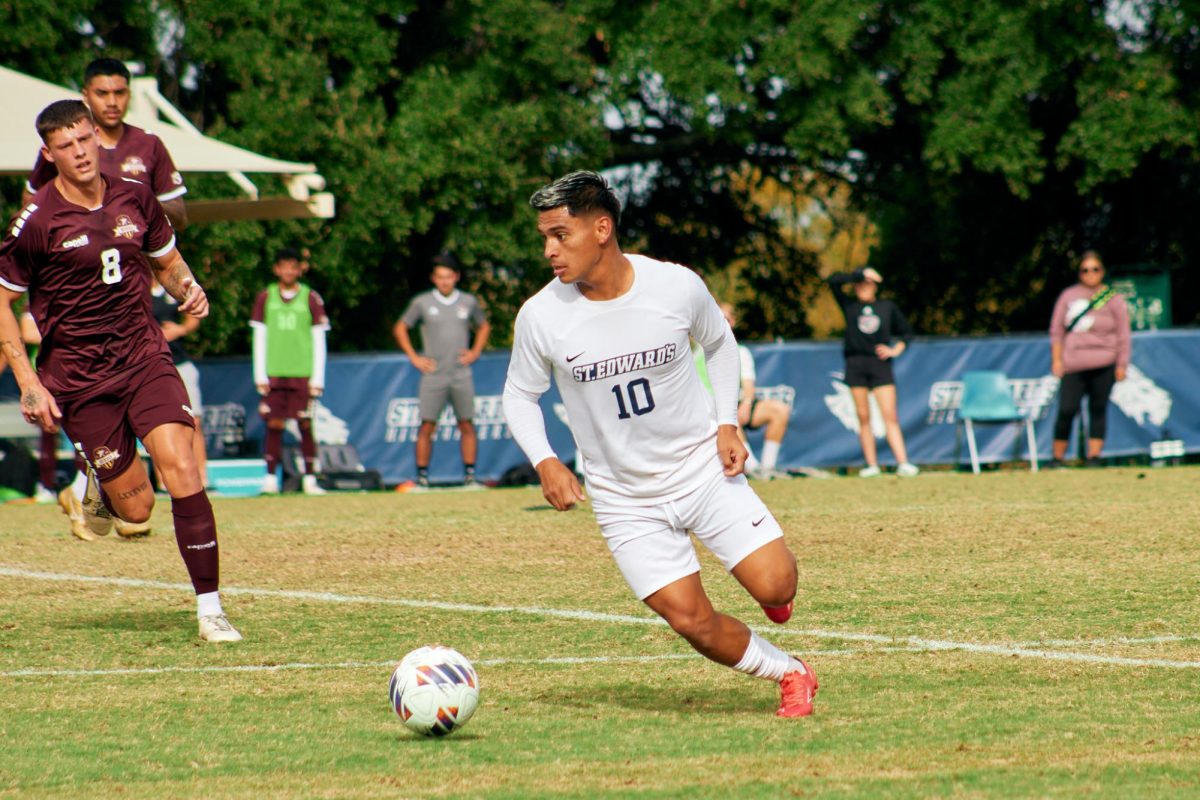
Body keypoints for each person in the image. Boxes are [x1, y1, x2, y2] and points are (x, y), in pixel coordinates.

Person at [503, 171, 818, 718]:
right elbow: (518, 396)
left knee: (775, 583)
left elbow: (720, 345)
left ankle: (775, 597)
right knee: (690, 621)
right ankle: (790, 672)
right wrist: (545, 460)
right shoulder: (541, 315)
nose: (549, 250)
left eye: (560, 234)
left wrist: (727, 422)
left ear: (602, 228)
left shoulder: (675, 286)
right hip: (624, 497)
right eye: (544, 238)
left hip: (702, 470)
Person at [0, 99, 240, 642]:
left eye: (85, 140)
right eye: (66, 146)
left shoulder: (136, 197)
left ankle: (210, 611)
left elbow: (167, 262)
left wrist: (188, 289)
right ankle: (97, 484)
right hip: (79, 379)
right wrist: (29, 382)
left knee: (181, 467)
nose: (80, 153)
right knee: (137, 509)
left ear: (96, 139)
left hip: (143, 357)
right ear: (49, 153)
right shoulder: (36, 221)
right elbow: (2, 302)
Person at [22, 58, 187, 231]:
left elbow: (180, 218)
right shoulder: (64, 144)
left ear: (129, 94)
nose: (112, 102)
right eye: (102, 93)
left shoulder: (149, 143)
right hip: (81, 253)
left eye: (119, 93)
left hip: (139, 255)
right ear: (86, 95)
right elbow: (30, 205)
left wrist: (137, 201)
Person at [394, 252, 491, 488]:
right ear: (433, 279)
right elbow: (400, 328)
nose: (444, 281)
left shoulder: (467, 301)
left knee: (466, 423)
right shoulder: (422, 302)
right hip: (433, 374)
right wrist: (415, 358)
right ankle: (423, 478)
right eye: (440, 277)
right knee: (427, 425)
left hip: (460, 373)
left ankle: (469, 476)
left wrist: (475, 352)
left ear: (456, 277)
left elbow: (484, 325)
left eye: (448, 277)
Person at [250, 247, 330, 495]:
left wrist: (317, 377)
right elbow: (259, 336)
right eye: (284, 266)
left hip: (302, 372)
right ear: (276, 269)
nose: (288, 271)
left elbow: (319, 338)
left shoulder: (311, 297)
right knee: (274, 424)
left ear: (299, 270)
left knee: (305, 423)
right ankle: (271, 478)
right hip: (274, 371)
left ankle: (309, 479)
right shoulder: (266, 296)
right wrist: (260, 374)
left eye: (293, 266)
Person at [827, 267, 919, 477]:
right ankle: (871, 465)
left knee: (890, 415)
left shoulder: (887, 307)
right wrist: (860, 274)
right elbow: (833, 281)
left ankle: (903, 462)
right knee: (863, 416)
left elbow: (906, 333)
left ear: (875, 287)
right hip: (856, 364)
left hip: (880, 365)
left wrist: (895, 350)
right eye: (860, 284)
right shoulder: (850, 306)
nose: (862, 288)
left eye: (867, 284)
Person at [1048, 251, 1130, 466]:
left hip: (1104, 362)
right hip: (1074, 363)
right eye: (1085, 269)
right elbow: (1056, 331)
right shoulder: (1068, 296)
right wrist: (1057, 360)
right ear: (1079, 273)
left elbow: (1123, 334)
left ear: (1102, 271)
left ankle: (1094, 457)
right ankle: (1057, 458)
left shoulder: (1112, 298)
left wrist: (1121, 364)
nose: (1090, 274)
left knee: (1098, 408)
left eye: (1095, 269)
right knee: (1067, 409)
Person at [717, 302, 793, 480]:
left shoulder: (741, 351)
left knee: (780, 410)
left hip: (737, 404)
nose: (723, 323)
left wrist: (747, 403)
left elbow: (748, 384)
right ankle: (751, 467)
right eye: (719, 319)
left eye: (726, 319)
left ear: (733, 321)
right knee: (729, 415)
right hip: (715, 410)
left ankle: (767, 468)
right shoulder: (701, 351)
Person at [151, 276, 207, 487]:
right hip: (151, 366)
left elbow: (195, 312)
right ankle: (164, 483)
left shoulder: (174, 284)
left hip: (180, 362)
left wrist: (180, 330)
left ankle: (202, 477)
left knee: (194, 422)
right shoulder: (133, 283)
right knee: (156, 424)